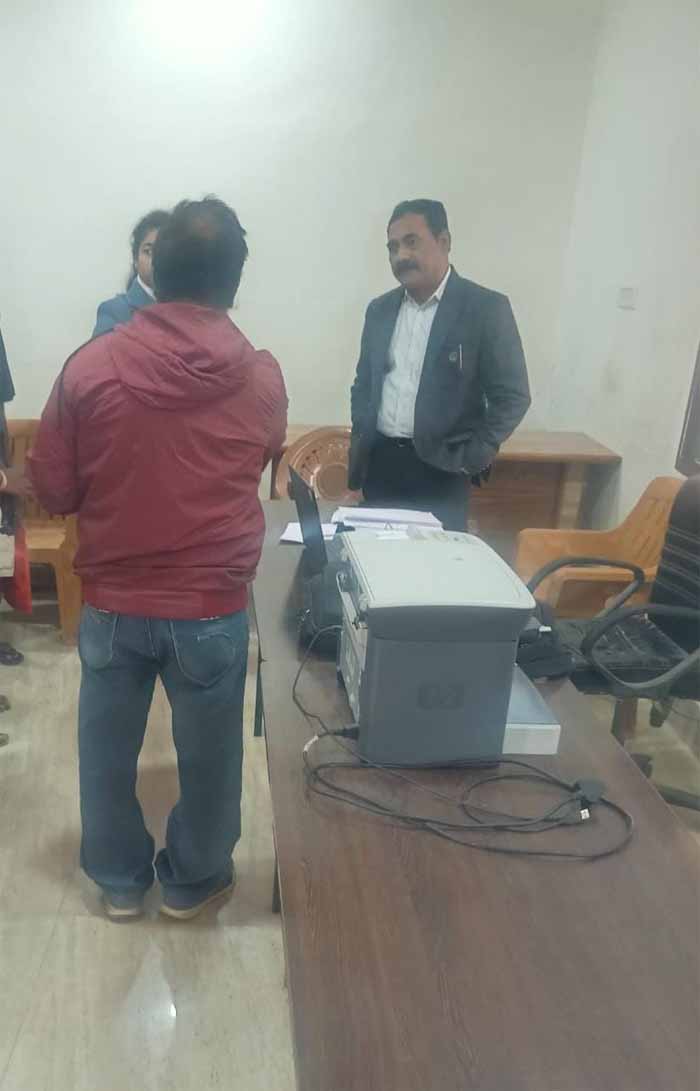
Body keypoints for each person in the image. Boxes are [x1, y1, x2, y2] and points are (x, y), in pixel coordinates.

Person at [29, 197, 288, 920]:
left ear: (156, 269)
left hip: (113, 601)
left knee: (105, 752)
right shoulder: (263, 378)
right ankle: (195, 879)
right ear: (234, 281)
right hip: (211, 604)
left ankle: (118, 880)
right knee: (212, 757)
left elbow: (54, 486)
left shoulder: (89, 367)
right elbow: (261, 456)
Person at [349, 199, 531, 531]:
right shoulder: (379, 310)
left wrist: (476, 454)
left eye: (411, 242)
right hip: (381, 466)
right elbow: (364, 384)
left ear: (444, 241)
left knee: (437, 561)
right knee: (375, 558)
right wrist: (362, 439)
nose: (401, 256)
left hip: (443, 471)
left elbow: (513, 395)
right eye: (393, 247)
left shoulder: (484, 309)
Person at [92, 209, 170, 336]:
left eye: (165, 251)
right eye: (149, 251)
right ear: (135, 260)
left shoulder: (188, 308)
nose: (156, 259)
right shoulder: (114, 311)